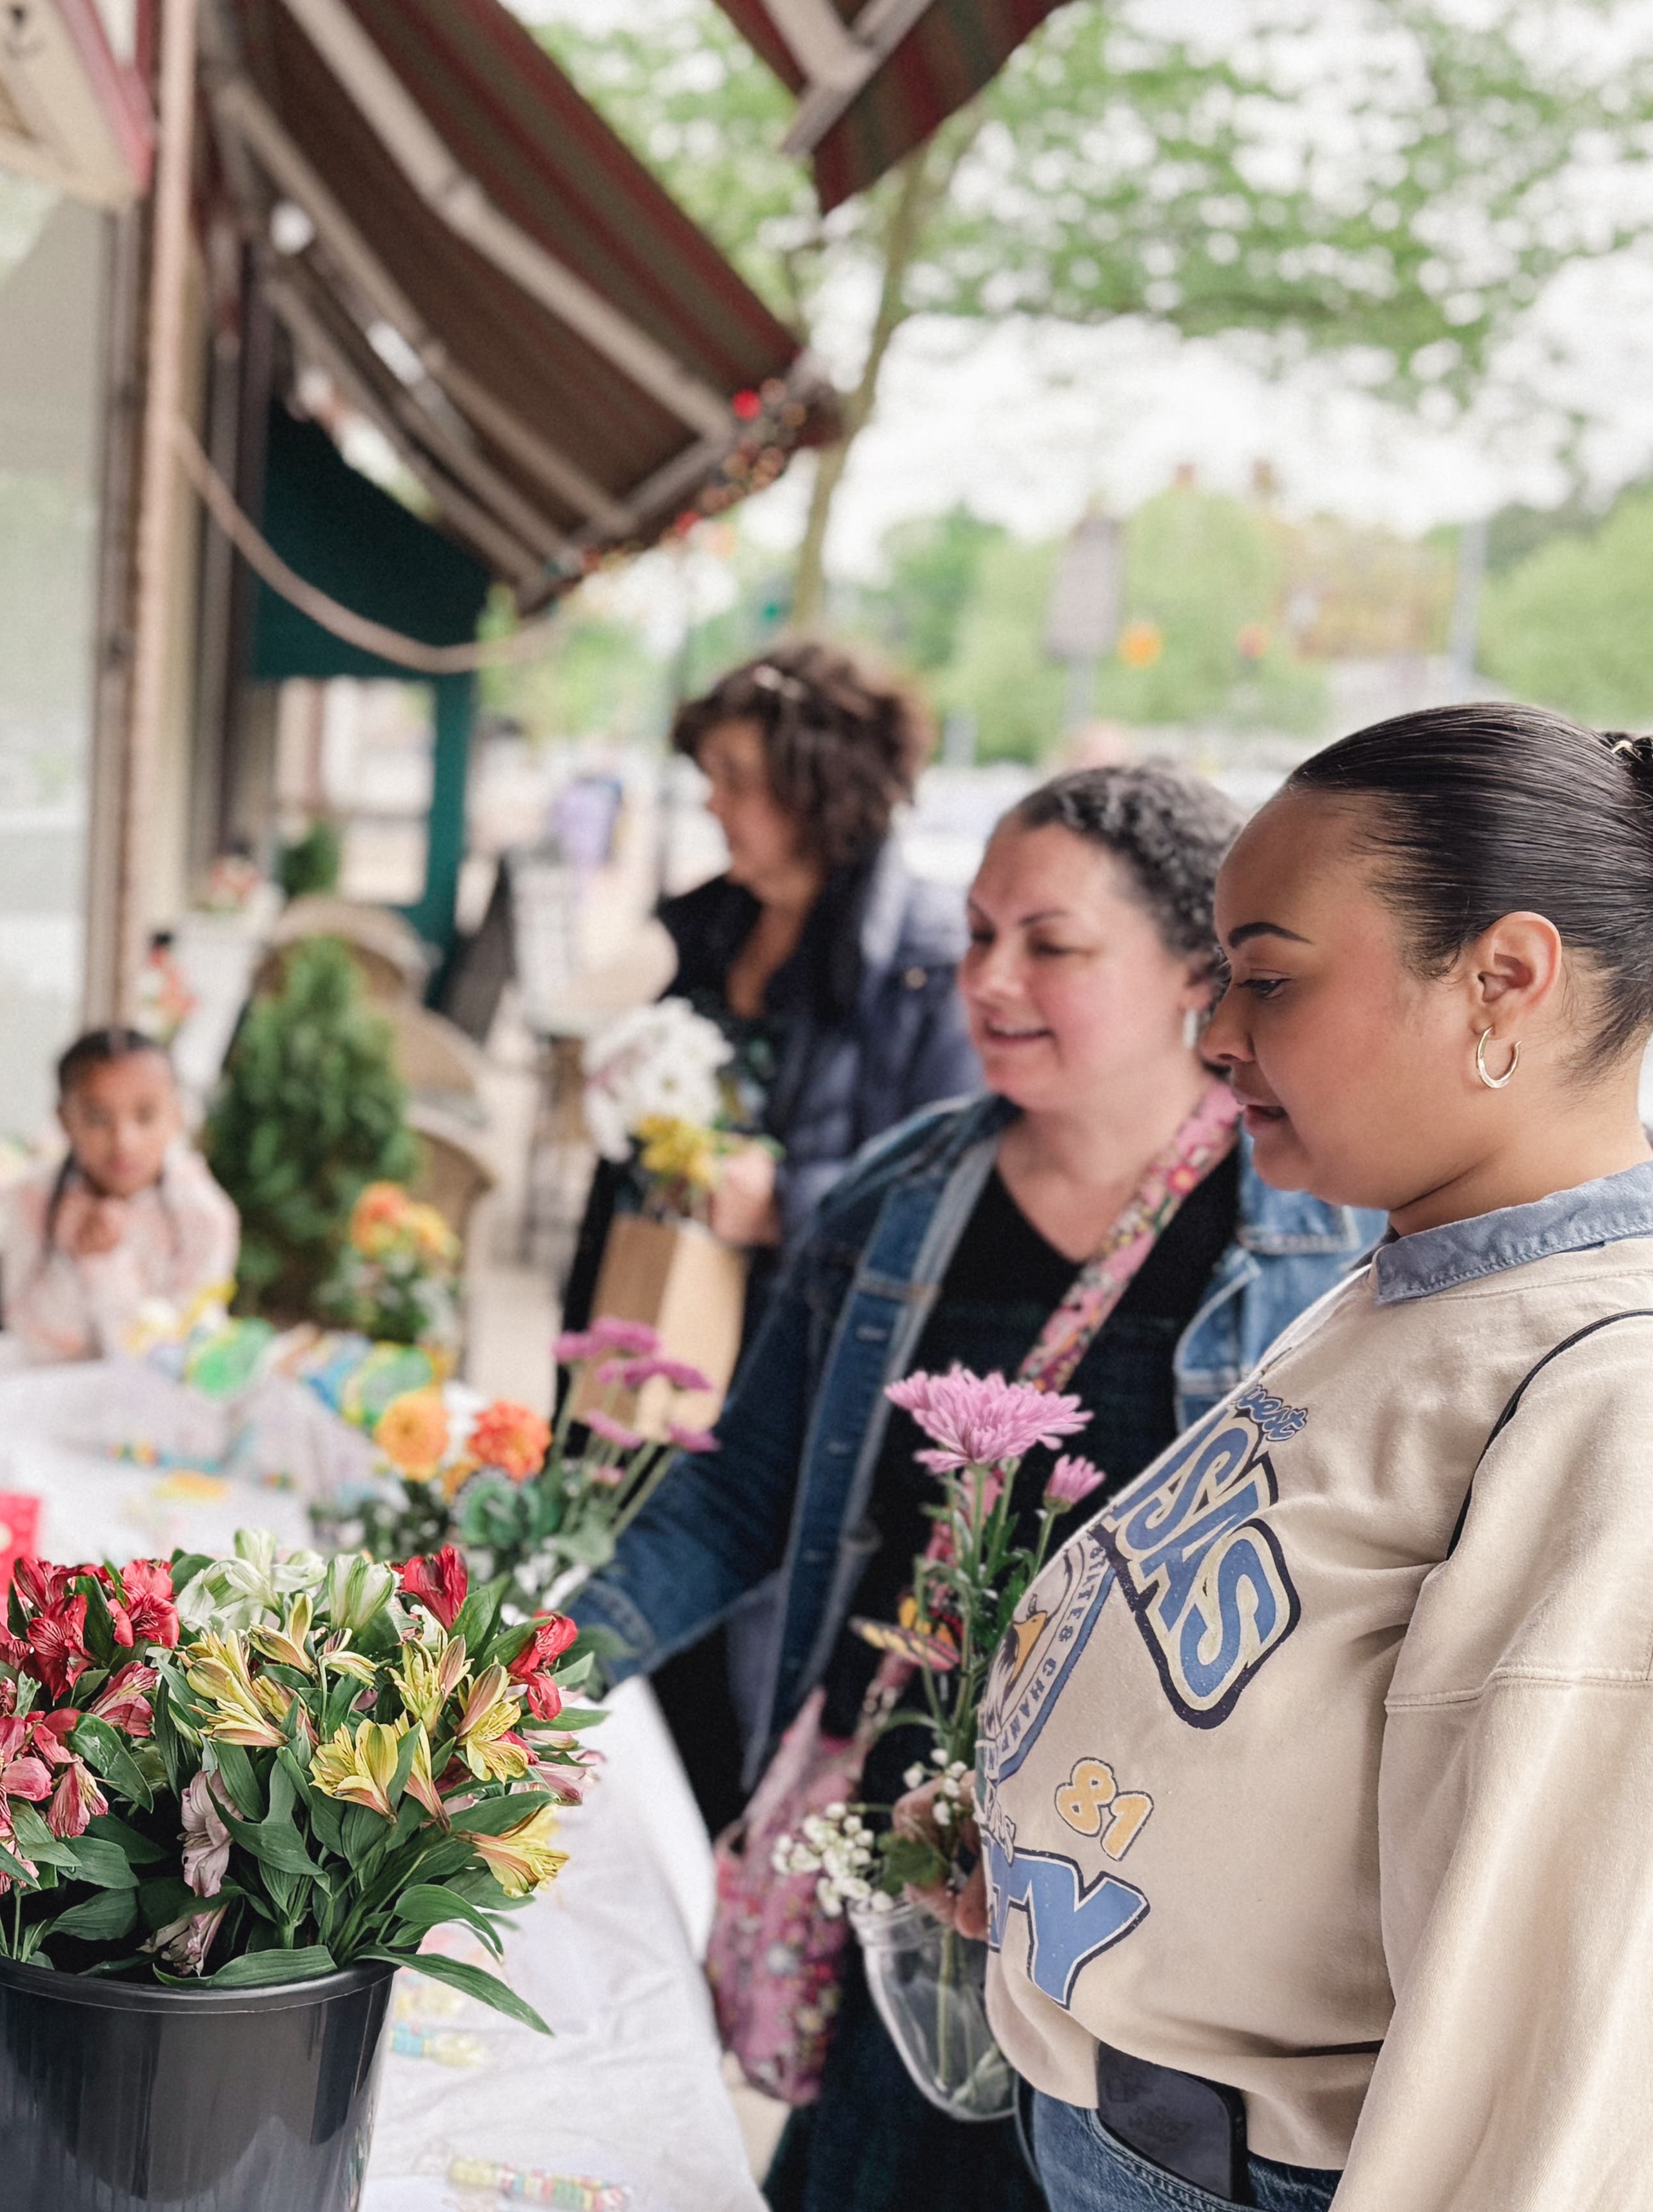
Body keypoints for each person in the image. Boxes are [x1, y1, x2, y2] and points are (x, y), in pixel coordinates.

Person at [571, 765, 1381, 2212]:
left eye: (1049, 943)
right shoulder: (896, 1199)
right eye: (976, 934)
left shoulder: (1326, 1237)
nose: (989, 979)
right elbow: (741, 1489)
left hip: (1157, 1933)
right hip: (915, 1871)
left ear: (1196, 968)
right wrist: (520, 1672)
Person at [963, 708, 1653, 2212]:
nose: (1216, 1034)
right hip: (1118, 2126)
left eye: (1267, 979)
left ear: (1503, 980)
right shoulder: (1419, 1277)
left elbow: (1549, 2046)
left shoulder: (1615, 1393)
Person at [562, 643, 984, 1828]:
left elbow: (947, 1177)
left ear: (820, 784)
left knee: (726, 1712)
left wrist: (786, 1199)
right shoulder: (696, 930)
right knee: (619, 1632)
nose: (712, 803)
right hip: (650, 1344)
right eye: (707, 775)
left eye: (737, 777)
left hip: (787, 1390)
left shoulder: (922, 963)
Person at [2, 1026, 240, 1360]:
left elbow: (178, 1350)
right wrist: (80, 1257)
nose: (123, 1142)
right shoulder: (33, 1198)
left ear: (176, 1115)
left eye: (146, 1116)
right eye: (98, 1119)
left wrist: (108, 1264)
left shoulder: (205, 1216)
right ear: (64, 1119)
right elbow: (36, 1340)